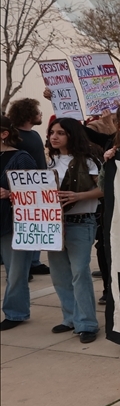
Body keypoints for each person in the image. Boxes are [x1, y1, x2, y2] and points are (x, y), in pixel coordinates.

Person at [45, 118, 105, 343]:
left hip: (81, 221)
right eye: (52, 132)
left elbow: (104, 188)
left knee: (80, 273)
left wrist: (79, 196)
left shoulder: (88, 160)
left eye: (60, 132)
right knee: (60, 274)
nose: (54, 136)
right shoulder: (50, 162)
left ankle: (87, 323)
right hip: (53, 224)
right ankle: (70, 317)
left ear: (72, 134)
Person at [0, 116, 39, 331]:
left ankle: (15, 313)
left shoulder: (21, 158)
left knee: (15, 271)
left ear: (4, 134)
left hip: (12, 223)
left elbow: (34, 191)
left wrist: (10, 193)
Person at [6, 98, 49, 278]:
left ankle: (34, 262)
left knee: (37, 223)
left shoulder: (35, 134)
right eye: (38, 111)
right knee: (23, 226)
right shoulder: (15, 137)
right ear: (28, 114)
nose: (41, 114)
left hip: (40, 186)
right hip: (22, 188)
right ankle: (23, 265)